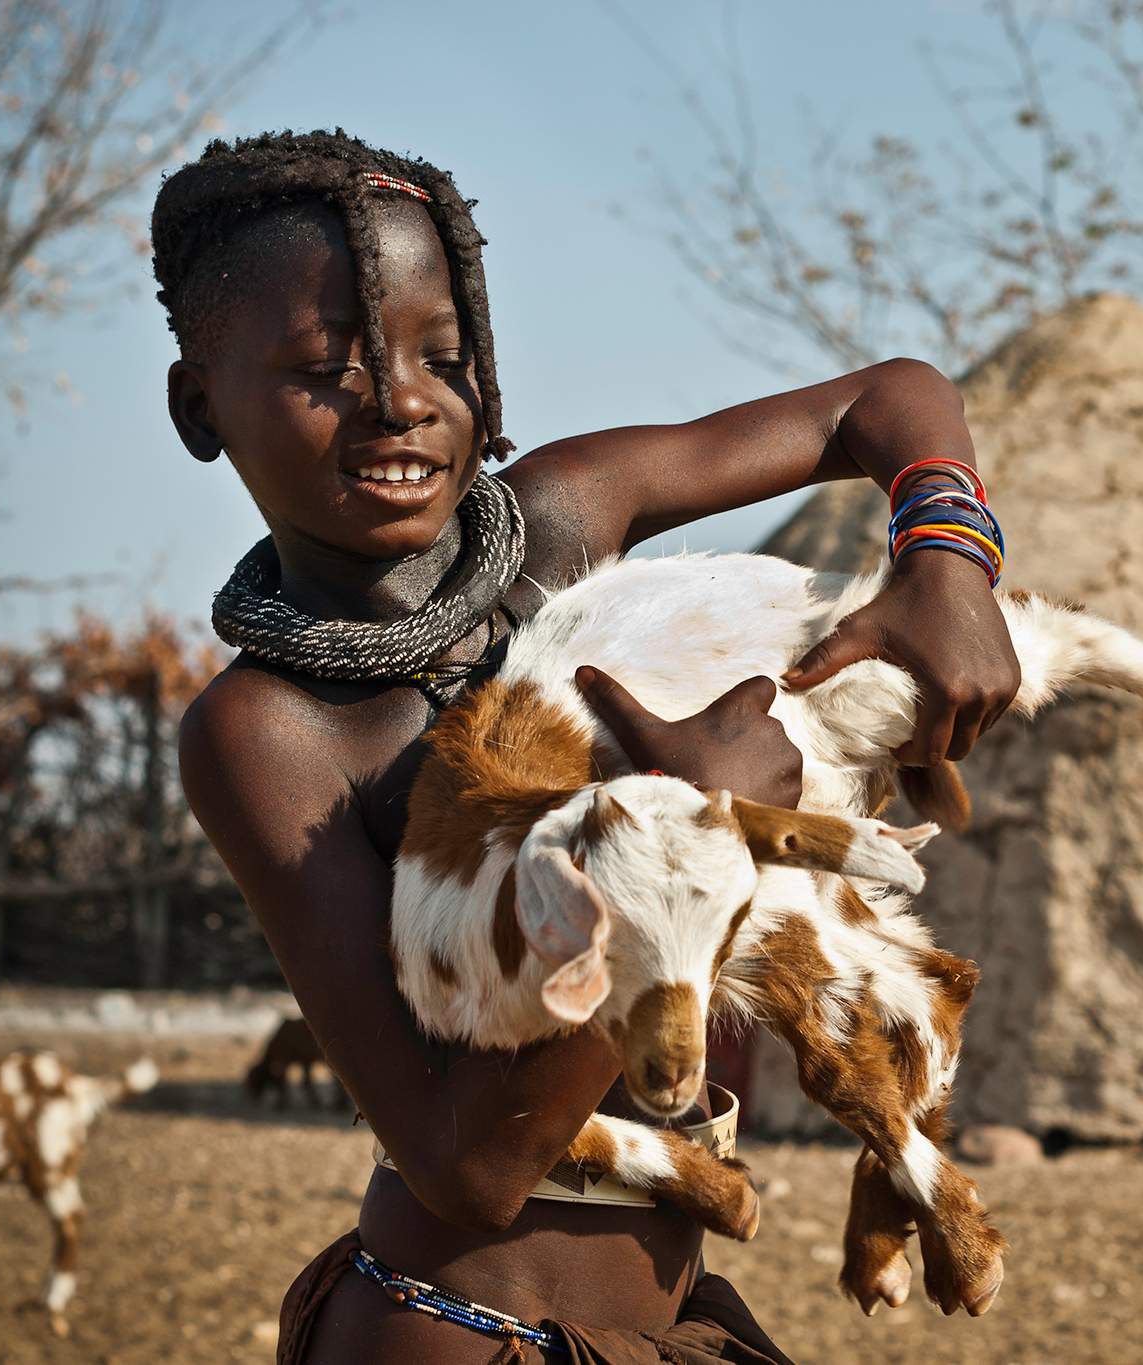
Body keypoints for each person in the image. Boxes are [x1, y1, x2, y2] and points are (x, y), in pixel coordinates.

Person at [159, 130, 1019, 1363]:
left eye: (443, 358)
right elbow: (466, 1167)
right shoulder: (268, 730)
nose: (400, 401)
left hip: (673, 1322)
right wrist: (684, 828)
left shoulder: (559, 528)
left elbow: (886, 397)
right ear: (199, 404)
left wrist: (945, 554)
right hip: (465, 1331)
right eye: (322, 369)